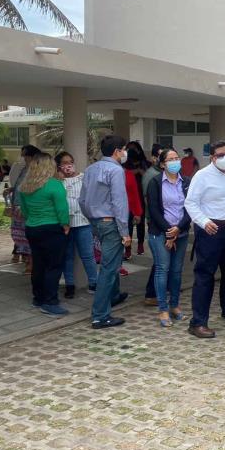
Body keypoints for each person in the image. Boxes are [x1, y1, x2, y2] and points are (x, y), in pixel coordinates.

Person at [185, 140, 225, 339]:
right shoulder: (202, 176)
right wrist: (203, 221)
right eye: (220, 155)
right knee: (205, 275)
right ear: (212, 158)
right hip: (212, 230)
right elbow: (191, 202)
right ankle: (198, 322)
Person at [79, 135, 131, 329]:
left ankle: (114, 296)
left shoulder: (91, 169)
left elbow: (82, 200)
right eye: (124, 149)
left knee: (112, 263)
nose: (125, 153)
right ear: (117, 151)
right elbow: (119, 202)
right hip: (111, 224)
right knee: (109, 268)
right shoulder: (116, 170)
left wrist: (91, 218)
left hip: (96, 222)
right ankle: (100, 315)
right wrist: (124, 231)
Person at [17, 153, 70, 317]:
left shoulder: (25, 186)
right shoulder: (55, 185)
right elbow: (62, 209)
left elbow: (24, 211)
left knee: (38, 264)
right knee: (54, 266)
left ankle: (38, 298)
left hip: (33, 228)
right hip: (52, 229)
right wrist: (65, 225)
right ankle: (50, 302)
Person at [146, 148, 191, 328]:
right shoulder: (155, 183)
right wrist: (168, 231)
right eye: (170, 159)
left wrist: (178, 228)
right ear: (163, 163)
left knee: (177, 270)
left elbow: (190, 206)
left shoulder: (186, 182)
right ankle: (163, 309)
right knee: (162, 269)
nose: (175, 161)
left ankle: (175, 306)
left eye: (177, 158)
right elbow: (154, 210)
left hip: (181, 232)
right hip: (160, 233)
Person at [55, 152, 98, 299]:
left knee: (88, 255)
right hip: (65, 225)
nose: (68, 165)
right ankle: (69, 285)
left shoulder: (83, 177)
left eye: (71, 162)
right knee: (68, 257)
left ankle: (94, 283)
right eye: (64, 162)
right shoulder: (56, 181)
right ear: (58, 166)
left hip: (83, 222)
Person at [7, 145, 41, 272]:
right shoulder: (24, 169)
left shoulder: (35, 170)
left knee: (28, 236)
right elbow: (19, 185)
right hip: (17, 205)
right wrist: (12, 189)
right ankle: (26, 259)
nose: (23, 158)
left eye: (25, 155)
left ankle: (31, 263)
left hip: (26, 207)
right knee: (19, 234)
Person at [142, 144, 164, 305]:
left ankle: (160, 291)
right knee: (160, 261)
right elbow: (150, 203)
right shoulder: (151, 176)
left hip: (168, 222)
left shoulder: (164, 174)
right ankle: (152, 293)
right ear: (155, 158)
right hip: (157, 222)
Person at [123, 142, 147, 258]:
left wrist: (142, 172)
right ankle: (128, 248)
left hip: (141, 195)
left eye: (135, 149)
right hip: (127, 197)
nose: (132, 151)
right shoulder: (124, 164)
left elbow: (148, 175)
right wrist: (135, 172)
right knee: (128, 223)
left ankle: (140, 244)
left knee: (140, 221)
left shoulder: (144, 163)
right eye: (130, 149)